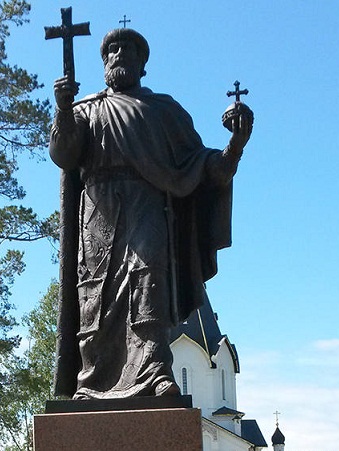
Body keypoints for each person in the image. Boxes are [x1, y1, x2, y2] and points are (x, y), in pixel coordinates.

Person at [50, 28, 253, 400]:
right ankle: (91, 380)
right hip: (98, 209)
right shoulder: (86, 109)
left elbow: (207, 168)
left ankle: (155, 371)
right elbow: (64, 155)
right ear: (103, 61)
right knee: (94, 292)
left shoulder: (163, 111)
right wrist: (63, 109)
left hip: (147, 204)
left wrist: (236, 144)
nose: (119, 54)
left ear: (143, 64)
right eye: (112, 49)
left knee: (149, 282)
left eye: (128, 49)